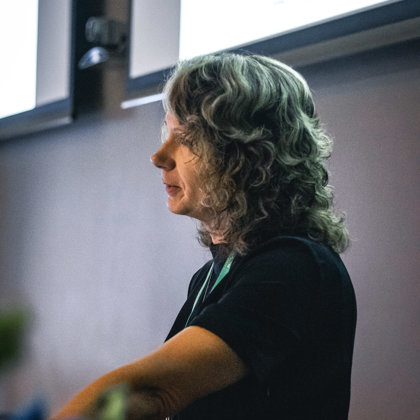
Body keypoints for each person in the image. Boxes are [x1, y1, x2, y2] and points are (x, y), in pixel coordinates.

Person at [52, 53, 356, 420]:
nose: (159, 156)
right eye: (167, 133)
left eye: (185, 139)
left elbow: (154, 392)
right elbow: (145, 403)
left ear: (246, 154)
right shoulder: (212, 275)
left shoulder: (295, 268)